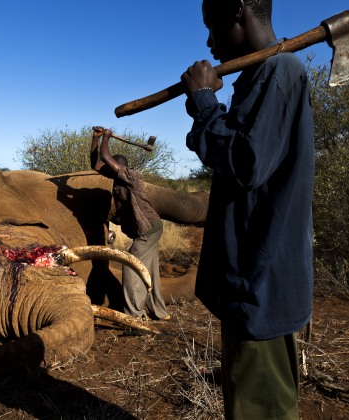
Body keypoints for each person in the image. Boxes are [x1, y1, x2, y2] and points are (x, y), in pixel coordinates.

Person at [180, 0, 314, 418]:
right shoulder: (260, 76)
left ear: (238, 11)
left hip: (261, 284)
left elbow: (245, 163)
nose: (209, 40)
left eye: (212, 25)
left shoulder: (280, 72)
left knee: (262, 409)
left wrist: (204, 102)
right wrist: (205, 114)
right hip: (249, 283)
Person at [90, 127, 170, 321]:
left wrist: (107, 137)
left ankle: (135, 315)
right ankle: (159, 311)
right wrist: (95, 138)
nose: (106, 170)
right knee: (148, 270)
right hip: (148, 229)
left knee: (131, 265)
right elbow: (96, 164)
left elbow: (106, 157)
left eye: (111, 166)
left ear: (120, 167)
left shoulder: (132, 176)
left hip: (148, 230)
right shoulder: (117, 177)